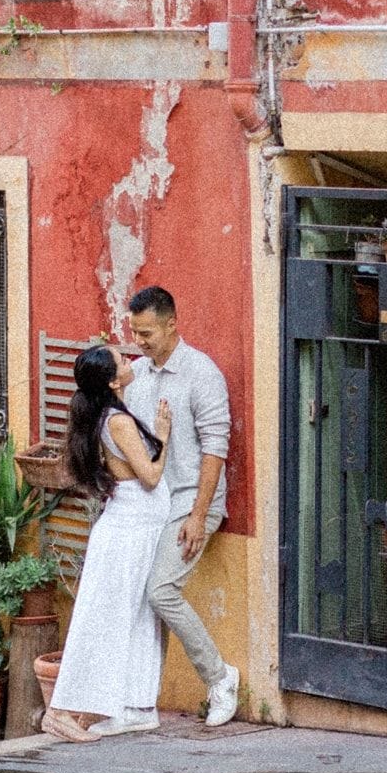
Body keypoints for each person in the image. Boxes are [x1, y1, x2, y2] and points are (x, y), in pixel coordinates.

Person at [42, 346, 175, 744]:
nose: (129, 360)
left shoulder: (111, 414)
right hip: (129, 530)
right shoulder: (117, 422)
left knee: (137, 617)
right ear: (113, 381)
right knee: (106, 619)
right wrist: (164, 438)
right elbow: (149, 476)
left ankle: (137, 706)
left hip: (136, 527)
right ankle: (60, 710)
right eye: (121, 361)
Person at [123, 285, 242, 727]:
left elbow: (216, 449)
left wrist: (198, 515)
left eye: (147, 332)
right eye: (134, 332)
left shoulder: (201, 373)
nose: (139, 341)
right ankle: (139, 699)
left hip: (192, 502)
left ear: (173, 324)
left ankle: (220, 677)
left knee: (160, 591)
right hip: (150, 505)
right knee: (137, 595)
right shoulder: (138, 375)